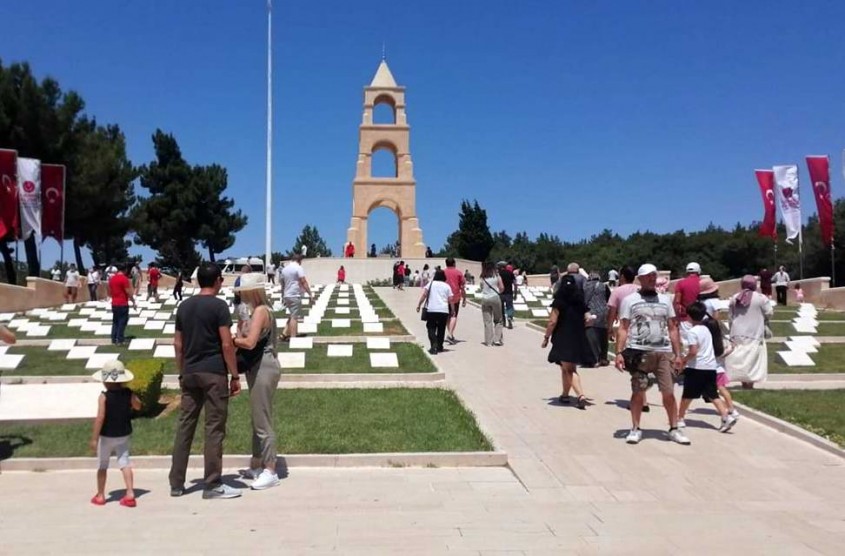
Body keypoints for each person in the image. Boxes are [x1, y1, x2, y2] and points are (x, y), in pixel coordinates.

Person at [169, 262, 242, 500]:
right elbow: (226, 343)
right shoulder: (219, 307)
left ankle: (177, 483)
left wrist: (182, 372)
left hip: (189, 372)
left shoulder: (184, 306)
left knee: (185, 426)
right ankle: (212, 484)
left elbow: (178, 344)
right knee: (213, 429)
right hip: (213, 373)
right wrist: (234, 374)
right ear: (218, 280)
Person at [615, 263, 689, 445]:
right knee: (638, 391)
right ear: (640, 279)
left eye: (654, 276)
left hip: (663, 352)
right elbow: (623, 328)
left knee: (668, 392)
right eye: (648, 276)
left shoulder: (664, 300)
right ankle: (635, 428)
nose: (652, 278)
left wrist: (678, 354)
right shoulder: (630, 300)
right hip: (639, 351)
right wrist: (619, 353)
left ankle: (673, 428)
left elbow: (672, 328)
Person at [232, 273, 282, 490]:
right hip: (257, 366)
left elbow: (250, 342)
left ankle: (270, 469)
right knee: (256, 417)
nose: (240, 296)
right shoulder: (254, 312)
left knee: (262, 419)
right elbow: (245, 335)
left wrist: (230, 339)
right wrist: (241, 323)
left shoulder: (262, 311)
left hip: (264, 365)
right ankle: (257, 463)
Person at [676, 302, 737, 433]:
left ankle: (680, 418)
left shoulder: (692, 332)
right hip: (710, 367)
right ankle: (726, 416)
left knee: (687, 395)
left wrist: (683, 360)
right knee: (713, 394)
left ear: (689, 317)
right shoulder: (707, 330)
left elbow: (693, 351)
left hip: (696, 367)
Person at [89, 360, 142, 507]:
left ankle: (100, 495)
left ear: (105, 381)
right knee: (124, 462)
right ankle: (130, 493)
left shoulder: (103, 397)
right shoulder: (128, 393)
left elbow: (100, 417)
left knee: (102, 465)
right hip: (123, 433)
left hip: (106, 435)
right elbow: (138, 406)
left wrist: (94, 438)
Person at [606, 266, 650, 413]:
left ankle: (640, 401)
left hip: (627, 330)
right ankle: (642, 399)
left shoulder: (617, 291)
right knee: (640, 365)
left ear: (623, 276)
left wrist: (609, 328)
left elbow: (611, 312)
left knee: (634, 366)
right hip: (644, 329)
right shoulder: (639, 289)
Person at [542, 274, 590, 410]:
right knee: (566, 367)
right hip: (577, 337)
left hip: (563, 337)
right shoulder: (580, 301)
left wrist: (546, 337)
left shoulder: (559, 301)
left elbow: (552, 321)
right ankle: (565, 395)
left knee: (569, 369)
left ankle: (580, 395)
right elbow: (588, 318)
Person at [697, 277, 739, 420]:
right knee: (720, 385)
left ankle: (729, 409)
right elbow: (716, 317)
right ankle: (731, 408)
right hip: (714, 332)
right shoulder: (714, 302)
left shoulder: (701, 303)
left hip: (705, 333)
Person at [725, 275, 773, 390]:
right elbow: (769, 313)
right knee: (752, 360)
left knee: (741, 359)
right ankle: (750, 385)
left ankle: (744, 383)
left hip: (737, 332)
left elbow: (730, 316)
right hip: (754, 333)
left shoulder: (735, 297)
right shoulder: (761, 298)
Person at [416, 269, 453, 354]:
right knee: (441, 328)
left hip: (431, 310)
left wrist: (419, 305)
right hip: (443, 311)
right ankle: (439, 346)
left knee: (431, 328)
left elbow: (424, 295)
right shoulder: (447, 286)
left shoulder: (431, 284)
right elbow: (450, 299)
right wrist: (453, 310)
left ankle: (434, 345)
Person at [280, 255, 313, 341]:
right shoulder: (298, 268)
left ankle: (284, 333)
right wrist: (310, 294)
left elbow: (282, 284)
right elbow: (303, 281)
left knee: (292, 315)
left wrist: (282, 295)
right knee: (294, 317)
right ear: (299, 260)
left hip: (287, 294)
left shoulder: (284, 269)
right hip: (295, 294)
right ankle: (293, 337)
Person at [583, 270, 610, 367]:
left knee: (591, 337)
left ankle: (594, 359)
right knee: (603, 336)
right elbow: (608, 299)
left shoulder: (585, 286)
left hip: (590, 312)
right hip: (603, 312)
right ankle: (603, 358)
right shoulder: (604, 286)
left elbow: (583, 300)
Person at [108, 263, 135, 345]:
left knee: (115, 321)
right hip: (122, 303)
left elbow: (109, 291)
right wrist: (133, 301)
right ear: (125, 270)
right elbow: (127, 292)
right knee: (122, 322)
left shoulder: (112, 279)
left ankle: (113, 338)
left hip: (114, 303)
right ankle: (120, 339)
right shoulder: (124, 279)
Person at [479, 262, 504, 346]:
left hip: (485, 299)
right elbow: (501, 288)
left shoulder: (483, 278)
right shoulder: (497, 276)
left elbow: (481, 288)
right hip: (495, 297)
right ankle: (497, 339)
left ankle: (488, 341)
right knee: (498, 319)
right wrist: (498, 292)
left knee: (487, 321)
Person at [673, 262, 701, 338]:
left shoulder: (681, 283)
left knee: (687, 343)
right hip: (701, 317)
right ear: (698, 271)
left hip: (685, 318)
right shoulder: (703, 283)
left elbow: (677, 302)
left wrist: (676, 318)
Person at [444, 257, 467, 344]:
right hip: (455, 296)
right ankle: (450, 335)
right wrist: (464, 298)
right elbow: (462, 287)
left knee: (447, 316)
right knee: (454, 315)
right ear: (454, 263)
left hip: (445, 297)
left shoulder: (443, 272)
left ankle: (450, 334)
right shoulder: (458, 273)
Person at [499, 262, 516, 329]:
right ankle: (509, 318)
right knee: (509, 307)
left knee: (501, 308)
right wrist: (515, 293)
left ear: (500, 267)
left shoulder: (499, 274)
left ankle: (503, 321)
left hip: (501, 293)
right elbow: (515, 283)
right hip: (509, 293)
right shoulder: (510, 273)